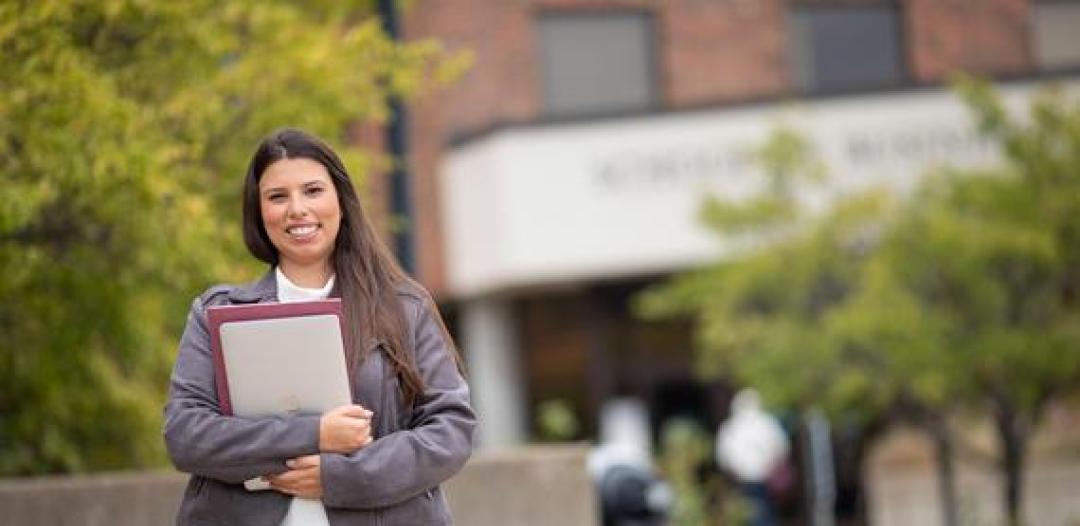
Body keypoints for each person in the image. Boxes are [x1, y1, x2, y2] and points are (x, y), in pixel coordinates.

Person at [163, 128, 476, 525]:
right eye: (277, 197)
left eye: (312, 191)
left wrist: (339, 477)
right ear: (259, 212)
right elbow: (185, 434)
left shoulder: (404, 308)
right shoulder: (215, 313)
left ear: (340, 201)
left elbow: (450, 431)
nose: (297, 209)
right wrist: (314, 433)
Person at [716, 389, 789, 526]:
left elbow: (723, 458)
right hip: (762, 479)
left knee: (749, 515)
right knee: (764, 514)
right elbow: (781, 448)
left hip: (745, 480)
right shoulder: (767, 423)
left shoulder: (731, 427)